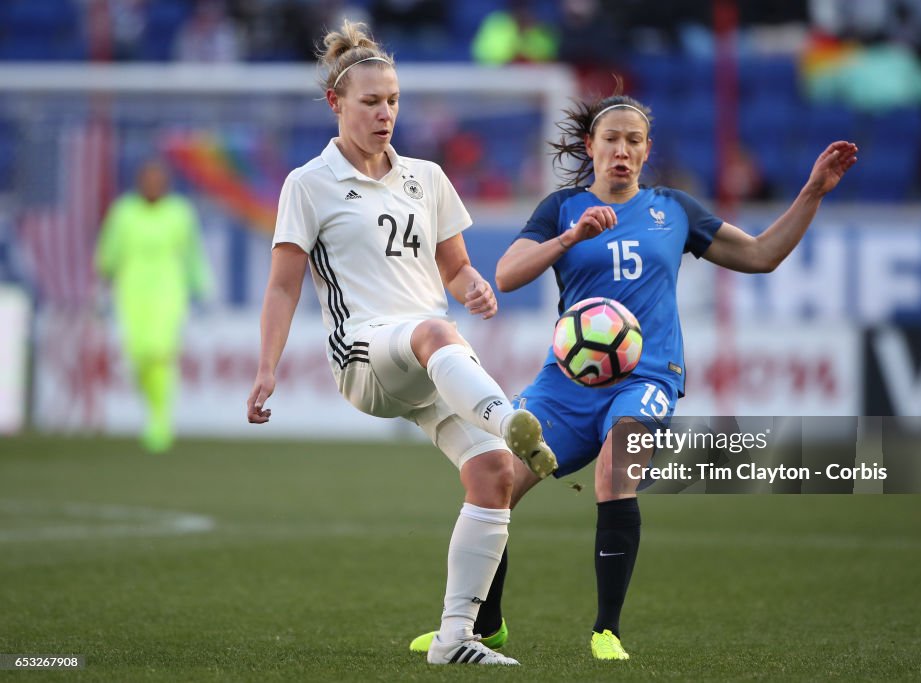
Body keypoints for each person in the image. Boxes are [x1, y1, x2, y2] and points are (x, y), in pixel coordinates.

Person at [411, 91, 857, 659]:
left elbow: (762, 255)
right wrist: (571, 238)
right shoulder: (562, 209)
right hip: (565, 381)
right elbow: (507, 272)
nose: (621, 150)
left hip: (647, 376)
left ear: (647, 151)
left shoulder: (674, 210)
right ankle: (483, 625)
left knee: (614, 473)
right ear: (590, 147)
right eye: (611, 139)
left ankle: (606, 631)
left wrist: (813, 192)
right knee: (494, 476)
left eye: (633, 140)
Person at [244, 20, 557, 667]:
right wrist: (266, 368)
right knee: (437, 333)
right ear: (337, 102)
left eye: (392, 100)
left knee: (495, 473)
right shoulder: (308, 184)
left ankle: (454, 638)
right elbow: (282, 288)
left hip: (427, 359)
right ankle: (509, 416)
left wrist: (473, 286)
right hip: (364, 355)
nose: (385, 112)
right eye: (370, 101)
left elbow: (455, 266)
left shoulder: (428, 177)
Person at [95, 160, 211, 453]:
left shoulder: (179, 213)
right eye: (148, 180)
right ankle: (153, 412)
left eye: (158, 180)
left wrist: (201, 288)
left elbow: (192, 254)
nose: (153, 185)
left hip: (168, 292)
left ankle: (160, 422)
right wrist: (102, 281)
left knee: (160, 352)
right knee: (138, 355)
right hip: (131, 293)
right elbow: (108, 253)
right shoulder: (123, 212)